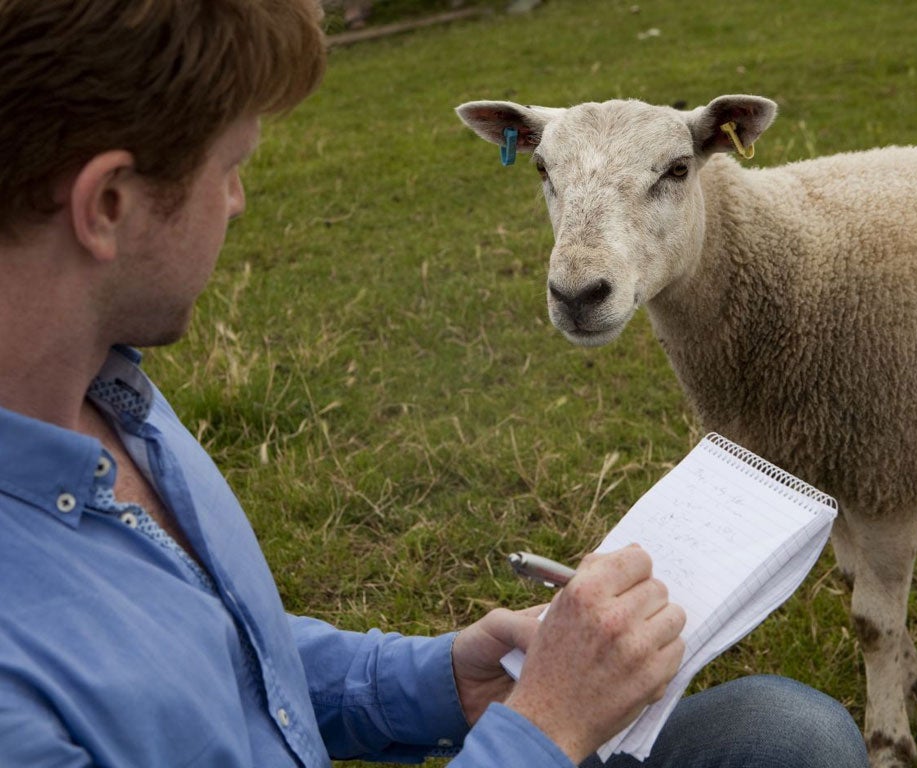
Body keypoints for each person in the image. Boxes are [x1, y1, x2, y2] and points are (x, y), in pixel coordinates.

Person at [0, 1, 869, 766]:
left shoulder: (112, 397)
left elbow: (225, 661)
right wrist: (544, 726)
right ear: (108, 204)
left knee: (789, 732)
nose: (238, 203)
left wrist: (435, 681)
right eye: (230, 167)